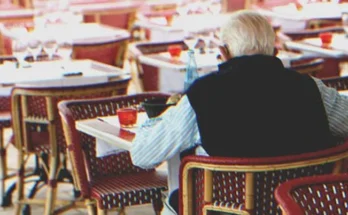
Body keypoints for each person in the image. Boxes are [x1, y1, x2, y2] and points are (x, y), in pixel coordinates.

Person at [130, 10, 348, 215]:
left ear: (223, 53)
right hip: (299, 206)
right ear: (275, 52)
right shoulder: (311, 89)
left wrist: (155, 119)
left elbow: (142, 155)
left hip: (225, 209)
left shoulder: (203, 96)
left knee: (179, 197)